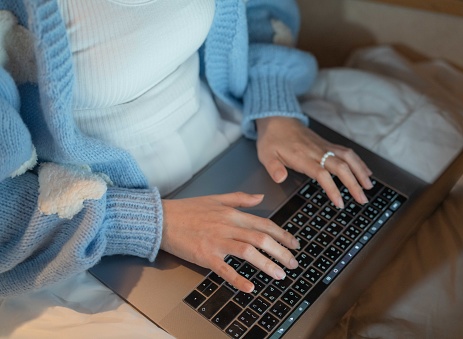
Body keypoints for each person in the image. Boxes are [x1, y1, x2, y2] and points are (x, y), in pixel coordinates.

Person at [0, 0, 372, 298]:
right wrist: (152, 225)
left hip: (242, 147)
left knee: (364, 247)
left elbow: (260, 10)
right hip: (97, 228)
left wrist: (274, 109)